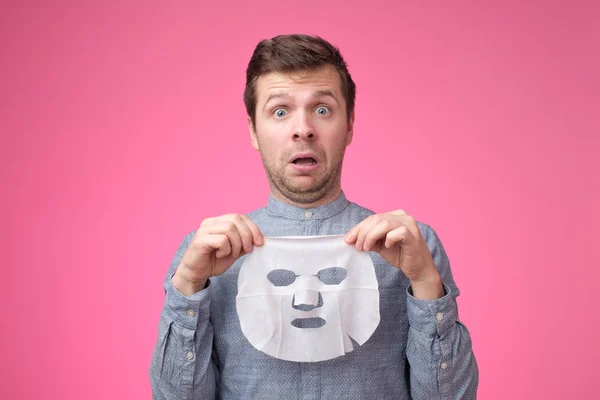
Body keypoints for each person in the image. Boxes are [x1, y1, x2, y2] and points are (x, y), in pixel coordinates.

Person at [149, 34, 479, 399]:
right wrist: (187, 289)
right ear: (253, 131)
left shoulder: (411, 246)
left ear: (349, 125)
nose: (303, 128)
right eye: (279, 111)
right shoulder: (206, 255)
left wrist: (427, 284)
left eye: (322, 109)